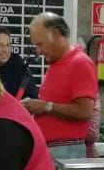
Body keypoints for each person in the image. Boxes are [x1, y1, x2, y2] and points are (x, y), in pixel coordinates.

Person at [23, 12, 98, 159]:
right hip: (54, 149)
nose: (38, 51)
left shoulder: (80, 63)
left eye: (40, 44)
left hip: (66, 150)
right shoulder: (55, 64)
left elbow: (85, 110)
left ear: (56, 34)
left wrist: (46, 107)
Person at [0, 27, 38, 99]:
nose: (5, 50)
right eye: (0, 45)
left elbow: (32, 98)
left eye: (8, 45)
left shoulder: (19, 65)